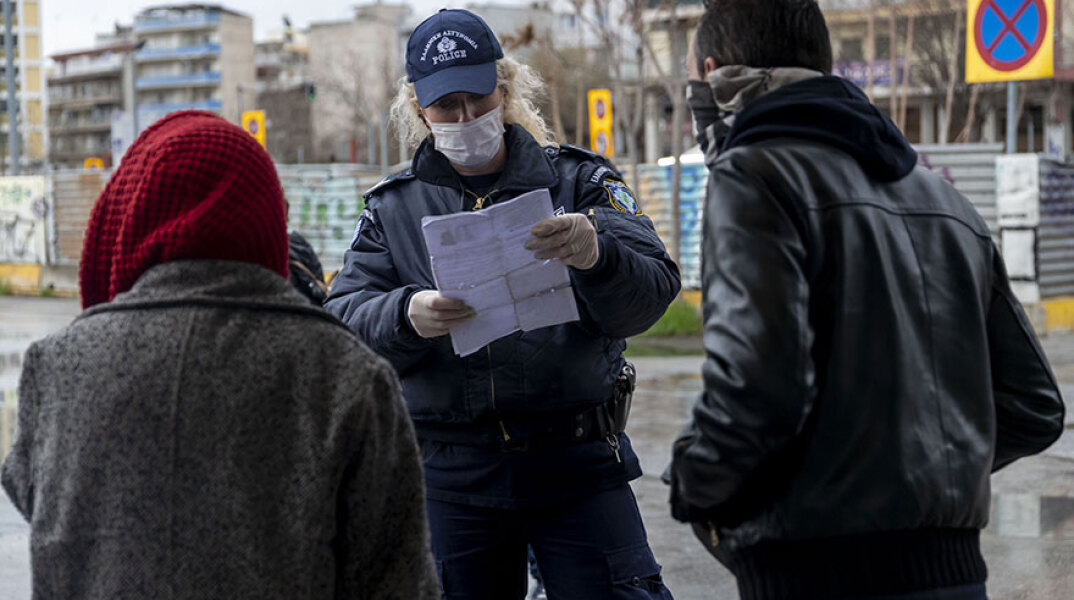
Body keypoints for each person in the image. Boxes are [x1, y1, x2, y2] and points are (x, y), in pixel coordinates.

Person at [667, 2, 1066, 599]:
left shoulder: (752, 174)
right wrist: (921, 477)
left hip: (813, 573)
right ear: (825, 65)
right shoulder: (946, 199)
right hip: (956, 576)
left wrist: (693, 486)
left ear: (714, 72)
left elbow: (758, 390)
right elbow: (1034, 407)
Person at [1, 111, 439, 599]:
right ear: (267, 225)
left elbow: (31, 494)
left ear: (131, 221)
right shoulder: (345, 374)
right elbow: (398, 581)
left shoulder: (59, 366)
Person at [325, 9, 680, 600]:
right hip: (451, 477)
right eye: (447, 106)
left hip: (577, 463)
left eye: (479, 97)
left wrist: (599, 255)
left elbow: (651, 297)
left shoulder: (583, 183)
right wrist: (406, 314)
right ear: (419, 111)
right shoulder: (393, 209)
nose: (466, 118)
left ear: (506, 89)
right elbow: (342, 322)